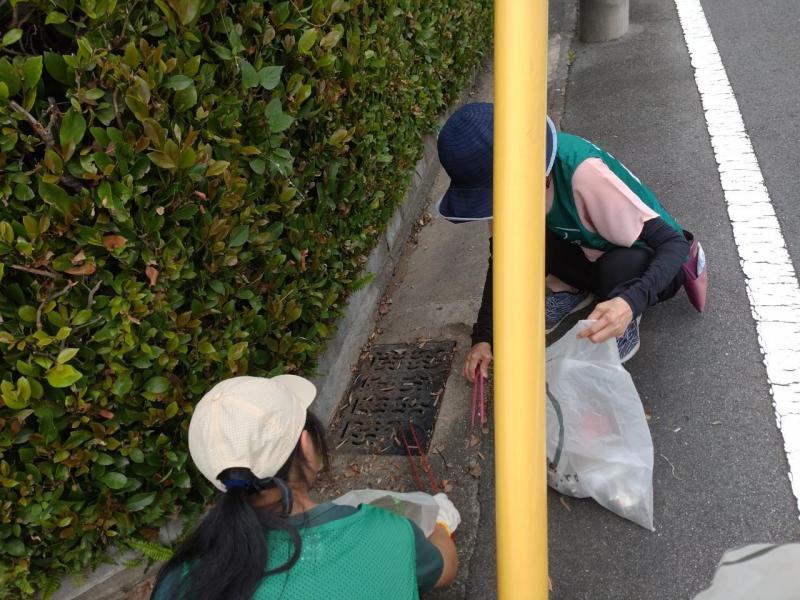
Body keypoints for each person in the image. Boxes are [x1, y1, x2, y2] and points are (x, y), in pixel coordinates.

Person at [435, 103, 707, 381]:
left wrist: (629, 303)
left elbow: (674, 245)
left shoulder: (584, 173)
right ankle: (574, 289)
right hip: (590, 251)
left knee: (616, 270)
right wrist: (484, 336)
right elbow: (503, 260)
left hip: (650, 261)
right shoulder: (511, 189)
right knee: (522, 239)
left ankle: (621, 316)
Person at [150, 375, 459, 600]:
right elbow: (445, 570)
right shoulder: (390, 533)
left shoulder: (180, 581)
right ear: (307, 445)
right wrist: (442, 523)